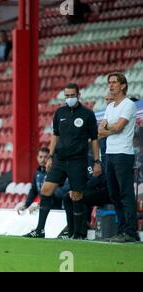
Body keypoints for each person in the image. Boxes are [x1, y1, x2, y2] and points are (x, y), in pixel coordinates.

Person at [23, 83, 101, 239]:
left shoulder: (88, 114)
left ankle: (79, 233)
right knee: (45, 190)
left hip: (78, 161)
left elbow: (94, 139)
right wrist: (50, 156)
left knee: (77, 195)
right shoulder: (59, 112)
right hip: (59, 160)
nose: (69, 98)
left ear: (78, 95)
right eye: (67, 96)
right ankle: (40, 230)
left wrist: (97, 161)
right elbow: (55, 136)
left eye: (72, 95)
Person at [99, 72, 138, 243]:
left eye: (114, 82)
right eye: (109, 82)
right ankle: (122, 230)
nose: (111, 85)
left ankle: (130, 231)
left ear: (123, 85)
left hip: (123, 153)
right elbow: (100, 131)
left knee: (125, 193)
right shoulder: (109, 107)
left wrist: (110, 128)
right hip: (110, 153)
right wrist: (110, 128)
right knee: (114, 194)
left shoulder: (128, 105)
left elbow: (119, 127)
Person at [16, 147, 65, 214]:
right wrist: (26, 204)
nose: (43, 159)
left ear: (50, 159)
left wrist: (40, 204)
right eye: (40, 157)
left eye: (45, 157)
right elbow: (34, 190)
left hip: (56, 210)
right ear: (37, 158)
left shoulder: (55, 172)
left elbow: (55, 194)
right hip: (43, 207)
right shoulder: (37, 172)